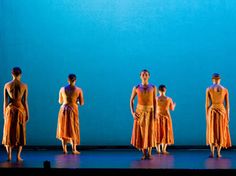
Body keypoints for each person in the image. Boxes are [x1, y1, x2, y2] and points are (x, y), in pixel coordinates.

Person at [2, 67, 29, 161]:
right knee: (20, 132)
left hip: (10, 110)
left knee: (9, 132)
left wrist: (4, 113)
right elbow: (25, 101)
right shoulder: (24, 85)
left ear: (12, 74)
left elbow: (5, 101)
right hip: (21, 110)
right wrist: (27, 113)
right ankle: (18, 156)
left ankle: (9, 156)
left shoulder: (7, 85)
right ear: (20, 74)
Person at [130, 69, 157, 160]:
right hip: (140, 112)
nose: (144, 76)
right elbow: (131, 100)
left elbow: (155, 101)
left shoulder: (153, 87)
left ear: (149, 76)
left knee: (150, 132)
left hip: (150, 111)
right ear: (140, 76)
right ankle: (144, 153)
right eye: (143, 74)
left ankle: (149, 153)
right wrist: (133, 112)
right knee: (141, 133)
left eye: (146, 74)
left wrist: (155, 114)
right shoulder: (136, 87)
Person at [56, 74, 84, 154]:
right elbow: (81, 103)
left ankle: (64, 149)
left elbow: (60, 101)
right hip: (73, 110)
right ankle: (74, 149)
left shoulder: (62, 89)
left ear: (68, 80)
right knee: (73, 128)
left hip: (63, 109)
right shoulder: (79, 90)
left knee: (63, 128)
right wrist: (76, 101)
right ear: (75, 80)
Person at [205, 73, 231, 158]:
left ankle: (212, 152)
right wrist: (228, 115)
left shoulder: (209, 89)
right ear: (219, 80)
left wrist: (206, 115)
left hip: (212, 111)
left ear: (213, 79)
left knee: (212, 131)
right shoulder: (225, 89)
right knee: (220, 131)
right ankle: (218, 153)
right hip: (222, 111)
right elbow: (227, 105)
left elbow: (207, 104)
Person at [155, 85, 176, 154]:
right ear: (165, 90)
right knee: (165, 132)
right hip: (165, 117)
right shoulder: (169, 99)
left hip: (159, 117)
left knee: (158, 132)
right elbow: (172, 109)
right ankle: (163, 150)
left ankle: (158, 149)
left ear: (159, 91)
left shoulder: (156, 98)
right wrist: (174, 105)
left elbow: (153, 108)